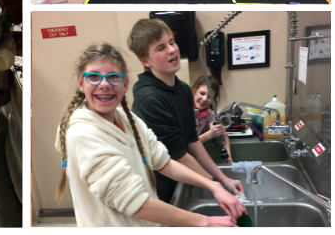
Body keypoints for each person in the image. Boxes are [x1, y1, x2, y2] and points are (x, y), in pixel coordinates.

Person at [55, 42, 244, 227]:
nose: (104, 84)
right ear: (81, 82)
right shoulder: (83, 134)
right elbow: (135, 203)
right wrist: (205, 221)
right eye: (94, 77)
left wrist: (213, 185)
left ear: (125, 84)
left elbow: (164, 162)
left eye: (113, 77)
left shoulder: (128, 119)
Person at [127, 19, 245, 203]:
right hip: (160, 189)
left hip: (183, 179)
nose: (172, 50)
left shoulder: (182, 89)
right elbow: (177, 155)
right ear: (145, 61)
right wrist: (214, 185)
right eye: (160, 48)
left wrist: (223, 179)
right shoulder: (150, 99)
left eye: (171, 42)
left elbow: (192, 141)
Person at [192, 76, 232, 164]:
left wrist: (227, 152)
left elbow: (223, 134)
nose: (204, 99)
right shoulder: (184, 110)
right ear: (193, 91)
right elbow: (187, 145)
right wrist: (210, 134)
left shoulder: (208, 115)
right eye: (202, 93)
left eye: (209, 97)